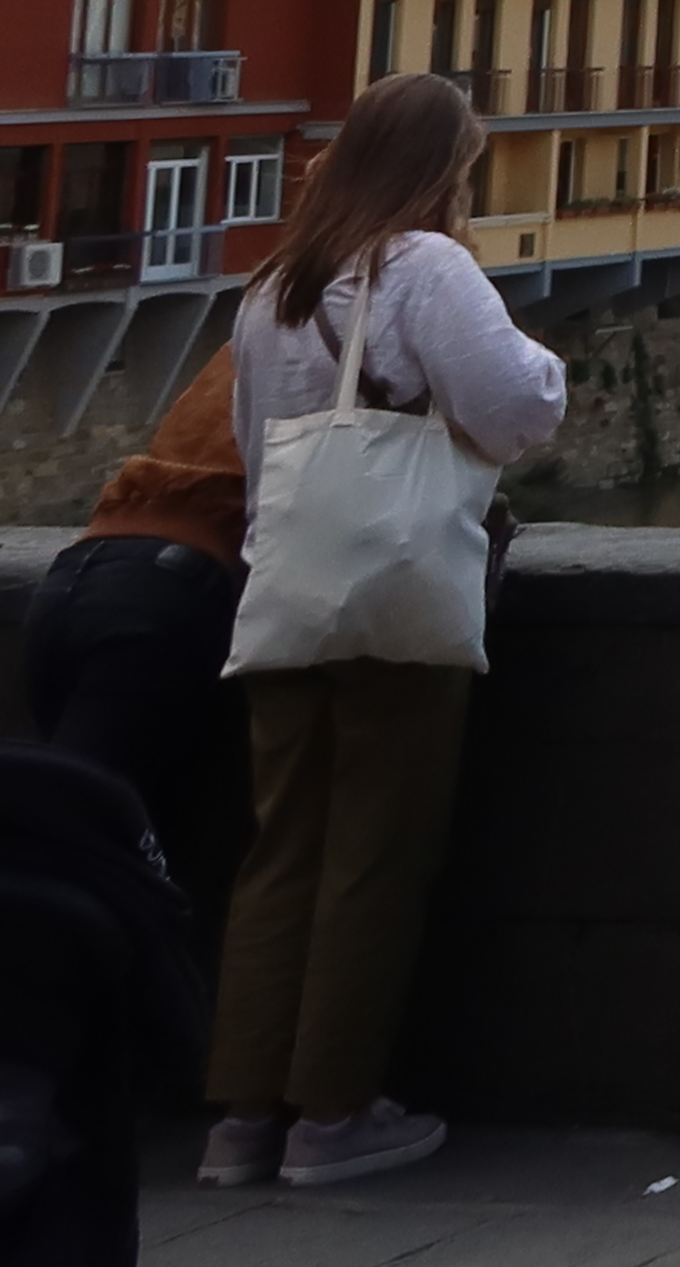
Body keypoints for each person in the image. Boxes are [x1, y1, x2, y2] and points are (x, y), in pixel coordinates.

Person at [207, 70, 568, 1192]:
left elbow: (246, 434)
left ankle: (239, 1123)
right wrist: (550, 366)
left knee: (280, 853)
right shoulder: (427, 267)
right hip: (394, 594)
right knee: (372, 855)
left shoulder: (269, 286)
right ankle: (332, 1115)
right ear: (438, 169)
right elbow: (512, 412)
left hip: (283, 589)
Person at [24, 341, 253, 923]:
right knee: (87, 858)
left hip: (79, 576)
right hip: (167, 602)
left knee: (77, 839)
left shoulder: (262, 319)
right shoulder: (385, 314)